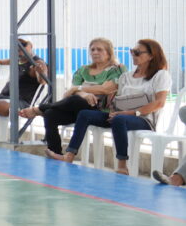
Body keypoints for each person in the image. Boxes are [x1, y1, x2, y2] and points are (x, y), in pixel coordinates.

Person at [52, 39, 171, 175]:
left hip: (143, 119)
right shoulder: (126, 76)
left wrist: (129, 113)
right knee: (85, 114)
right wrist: (113, 108)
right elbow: (118, 100)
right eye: (132, 51)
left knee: (119, 120)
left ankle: (122, 165)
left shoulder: (160, 75)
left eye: (137, 52)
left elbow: (159, 103)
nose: (133, 55)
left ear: (151, 56)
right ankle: (69, 155)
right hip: (121, 115)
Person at [20, 37, 123, 157]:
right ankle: (55, 152)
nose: (95, 52)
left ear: (109, 52)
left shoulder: (117, 69)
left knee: (75, 99)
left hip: (101, 111)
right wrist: (84, 94)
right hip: (80, 108)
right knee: (50, 114)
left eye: (99, 50)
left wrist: (78, 89)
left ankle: (39, 109)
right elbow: (68, 94)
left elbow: (106, 89)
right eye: (93, 49)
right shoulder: (83, 70)